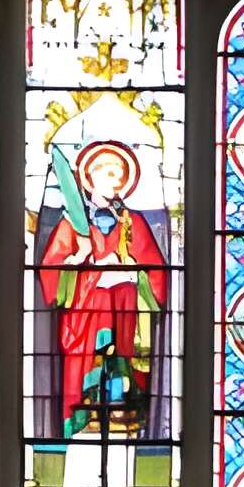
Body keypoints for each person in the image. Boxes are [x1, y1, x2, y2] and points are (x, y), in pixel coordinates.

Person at [36, 140, 169, 436]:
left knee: (120, 368)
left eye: (120, 175)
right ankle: (84, 413)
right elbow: (49, 270)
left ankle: (121, 406)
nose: (117, 182)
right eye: (110, 174)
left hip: (124, 309)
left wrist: (132, 270)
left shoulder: (133, 222)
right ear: (90, 178)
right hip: (85, 315)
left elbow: (156, 271)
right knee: (87, 370)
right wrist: (80, 258)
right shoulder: (72, 223)